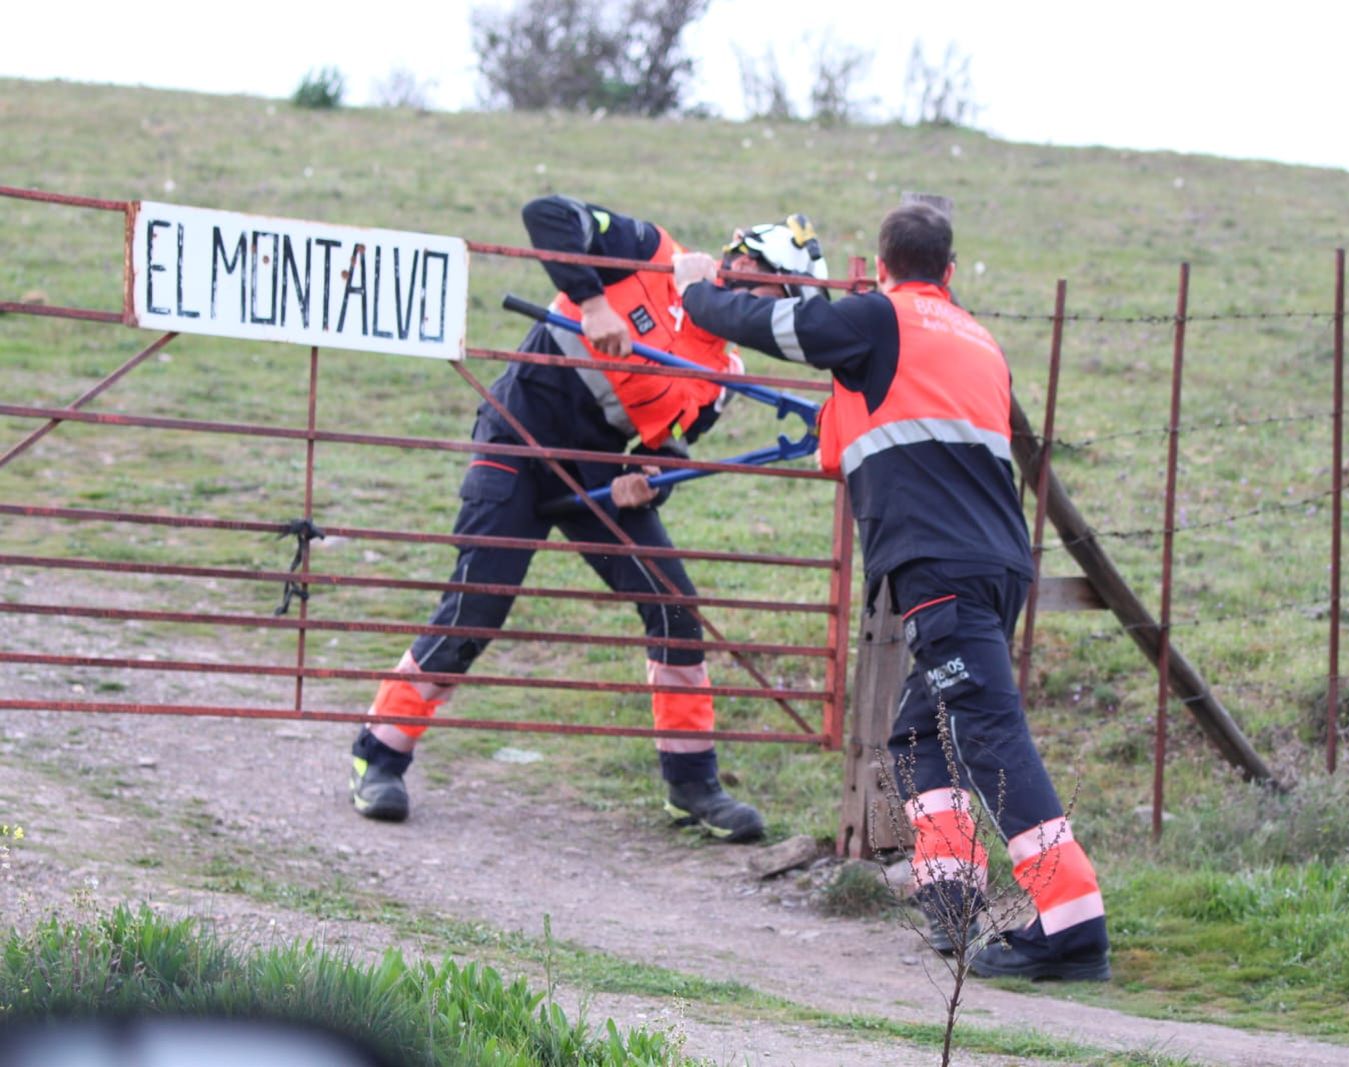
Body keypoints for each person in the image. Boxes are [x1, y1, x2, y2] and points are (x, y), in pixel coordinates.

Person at [672, 202, 1110, 980]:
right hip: (998, 564)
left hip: (937, 569)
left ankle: (1070, 922)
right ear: (949, 271)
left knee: (988, 732)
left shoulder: (879, 321)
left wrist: (699, 290)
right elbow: (863, 437)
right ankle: (953, 907)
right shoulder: (976, 338)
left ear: (880, 269)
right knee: (916, 738)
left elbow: (783, 339)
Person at [348, 195, 828, 843]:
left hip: (594, 464)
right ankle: (379, 755)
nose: (776, 312)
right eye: (779, 291)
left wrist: (647, 483)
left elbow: (662, 451)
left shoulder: (721, 373)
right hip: (518, 436)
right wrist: (595, 301)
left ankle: (693, 784)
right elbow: (546, 214)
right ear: (742, 261)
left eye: (789, 304)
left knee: (674, 605)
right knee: (478, 605)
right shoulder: (650, 252)